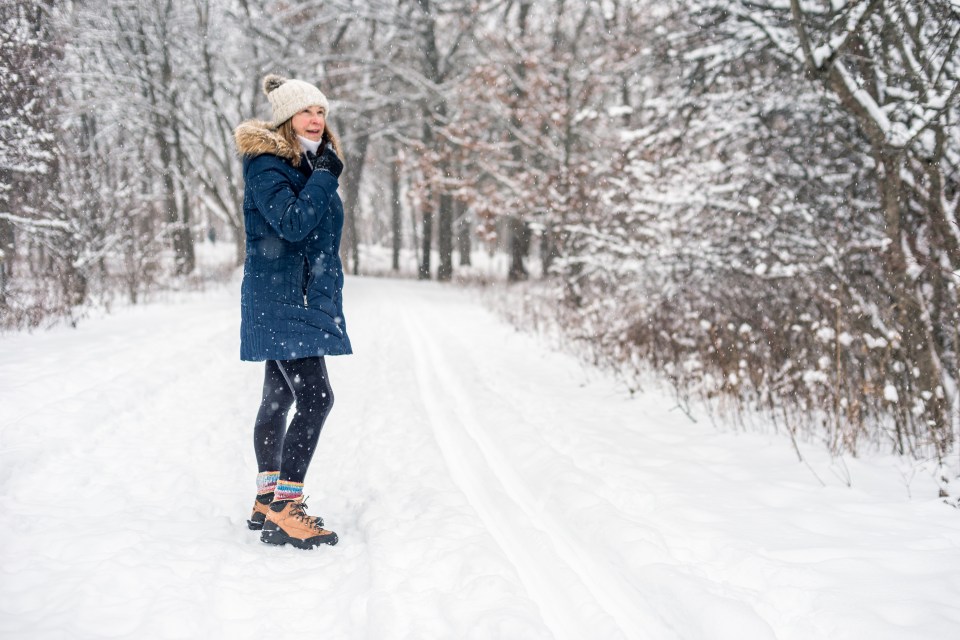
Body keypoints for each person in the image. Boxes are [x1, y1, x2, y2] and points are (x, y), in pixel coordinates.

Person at [233, 74, 352, 550]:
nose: (316, 119)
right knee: (317, 398)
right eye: (306, 111)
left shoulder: (306, 164)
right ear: (285, 119)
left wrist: (320, 172)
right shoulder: (268, 165)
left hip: (294, 297)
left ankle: (267, 499)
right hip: (283, 299)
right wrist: (325, 176)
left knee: (281, 397)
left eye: (321, 111)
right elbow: (294, 223)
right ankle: (287, 508)